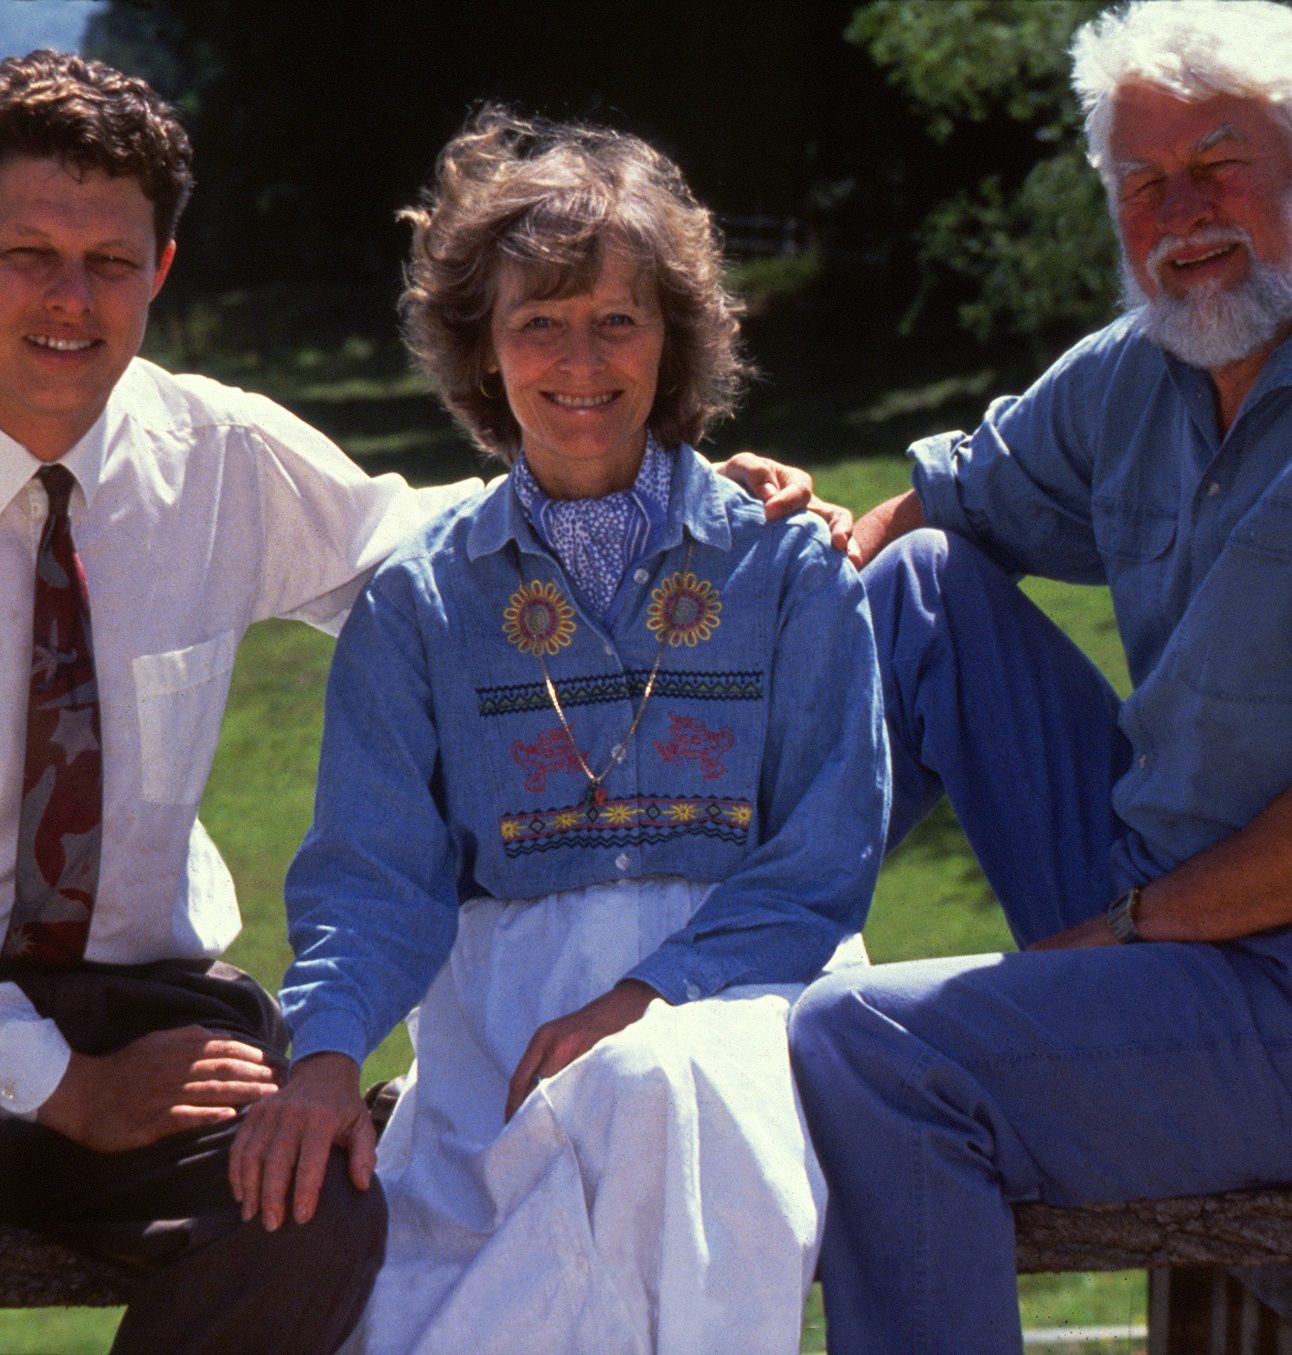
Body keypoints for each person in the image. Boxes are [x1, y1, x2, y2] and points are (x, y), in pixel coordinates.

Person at [0, 52, 830, 1355]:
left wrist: (664, 486)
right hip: (57, 1048)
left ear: (159, 273)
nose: (68, 296)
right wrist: (67, 1087)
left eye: (110, 261)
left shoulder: (214, 453)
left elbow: (416, 546)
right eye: (26, 252)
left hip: (149, 1005)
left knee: (311, 1205)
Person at [229, 108, 889, 1355]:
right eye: (538, 320)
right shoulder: (421, 599)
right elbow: (374, 878)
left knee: (652, 1088)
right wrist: (320, 1051)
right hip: (504, 1023)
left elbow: (824, 857)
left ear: (672, 337)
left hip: (748, 988)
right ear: (481, 350)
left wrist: (649, 993)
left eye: (615, 318)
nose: (578, 358)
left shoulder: (789, 566)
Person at [787, 2, 1292, 1352]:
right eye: (1143, 183)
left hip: (1274, 980)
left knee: (869, 1048)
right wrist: (797, 533)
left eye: (1222, 162)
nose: (1182, 212)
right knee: (922, 593)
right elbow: (931, 511)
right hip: (1161, 894)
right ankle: (697, 958)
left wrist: (1121, 932)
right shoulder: (1143, 376)